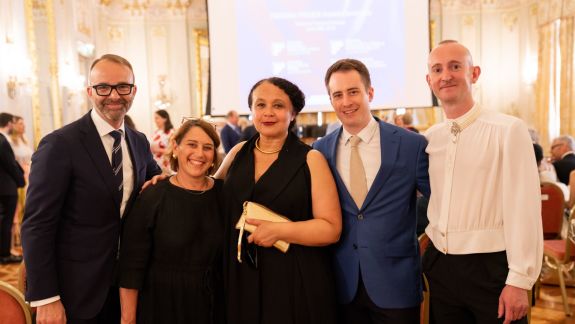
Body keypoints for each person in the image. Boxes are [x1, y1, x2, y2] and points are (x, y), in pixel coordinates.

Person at [21, 54, 162, 324]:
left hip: (125, 287)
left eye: (123, 86)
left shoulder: (139, 141)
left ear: (134, 91)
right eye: (103, 87)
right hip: (74, 291)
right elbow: (37, 225)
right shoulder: (60, 144)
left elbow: (157, 182)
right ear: (89, 92)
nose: (113, 95)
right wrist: (47, 298)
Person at [422, 40, 542, 324]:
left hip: (492, 268)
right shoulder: (430, 137)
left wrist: (520, 279)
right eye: (437, 69)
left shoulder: (508, 129)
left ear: (474, 73)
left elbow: (523, 208)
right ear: (429, 80)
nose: (446, 75)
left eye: (455, 66)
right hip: (441, 267)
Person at [215, 77, 342, 324]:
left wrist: (280, 231)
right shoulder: (238, 152)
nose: (268, 113)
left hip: (292, 276)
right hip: (240, 273)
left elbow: (331, 229)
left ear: (293, 113)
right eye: (260, 105)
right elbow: (205, 192)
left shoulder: (311, 159)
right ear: (251, 111)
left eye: (278, 106)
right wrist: (165, 183)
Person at [313, 59, 430, 324]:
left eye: (353, 92)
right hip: (342, 283)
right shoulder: (320, 151)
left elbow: (440, 204)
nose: (346, 102)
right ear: (331, 100)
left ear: (370, 93)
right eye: (338, 95)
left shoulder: (411, 145)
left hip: (396, 284)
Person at [119, 119, 224, 324]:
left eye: (207, 147)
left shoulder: (224, 194)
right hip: (163, 304)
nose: (200, 154)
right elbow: (131, 267)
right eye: (192, 145)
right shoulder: (153, 196)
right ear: (176, 147)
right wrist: (128, 320)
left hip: (214, 303)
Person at [0, 112, 25, 264]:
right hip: (7, 188)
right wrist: (21, 180)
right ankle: (4, 254)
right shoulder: (2, 141)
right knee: (7, 222)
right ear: (9, 124)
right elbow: (11, 164)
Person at [8, 115, 34, 255]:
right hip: (19, 178)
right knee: (17, 210)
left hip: (31, 176)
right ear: (13, 125)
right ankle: (15, 240)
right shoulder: (10, 142)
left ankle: (26, 239)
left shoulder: (25, 140)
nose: (23, 126)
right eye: (20, 123)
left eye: (24, 123)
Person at [150, 109, 175, 173]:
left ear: (165, 119)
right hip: (155, 164)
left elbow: (173, 151)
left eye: (157, 118)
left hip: (166, 165)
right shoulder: (156, 132)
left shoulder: (172, 133)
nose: (155, 121)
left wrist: (158, 150)